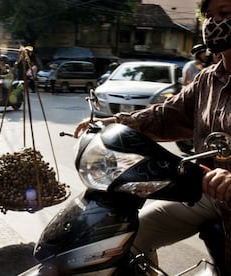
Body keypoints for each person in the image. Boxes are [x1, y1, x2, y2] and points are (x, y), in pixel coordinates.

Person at [74, 0, 231, 273]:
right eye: (208, 16)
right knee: (122, 239)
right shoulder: (208, 80)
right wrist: (114, 122)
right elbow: (166, 115)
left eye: (225, 13)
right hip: (209, 192)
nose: (213, 24)